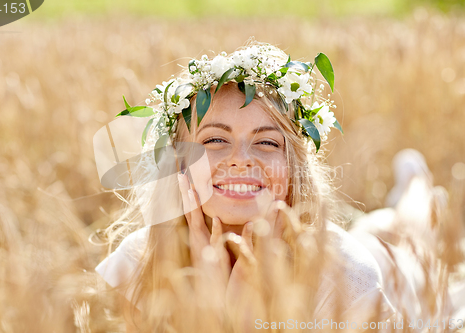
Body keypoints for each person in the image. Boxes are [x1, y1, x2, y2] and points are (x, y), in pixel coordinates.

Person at [93, 41, 433, 332]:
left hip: (393, 273)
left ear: (293, 166)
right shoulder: (139, 262)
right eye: (214, 139)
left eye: (267, 143)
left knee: (401, 233)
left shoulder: (348, 276)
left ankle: (418, 186)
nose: (240, 159)